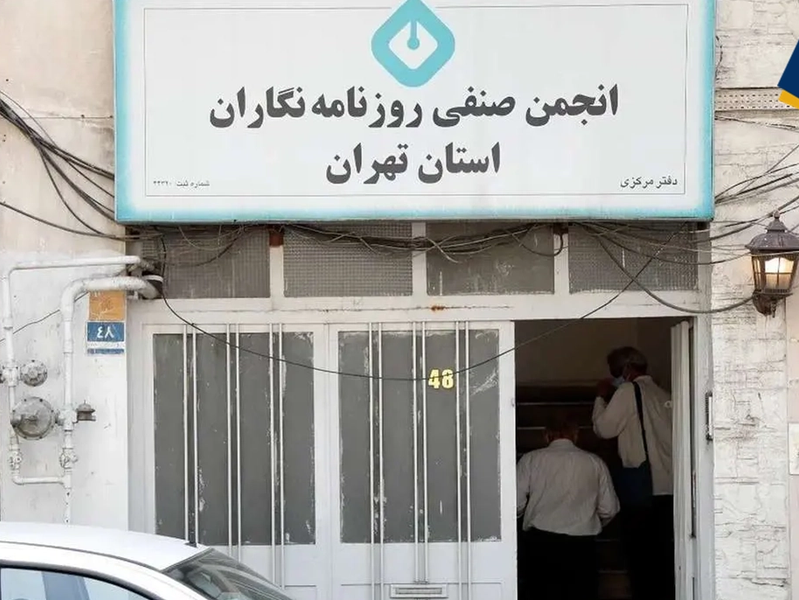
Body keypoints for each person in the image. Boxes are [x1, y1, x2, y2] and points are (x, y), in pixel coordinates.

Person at [593, 347, 674, 600]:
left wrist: (600, 398)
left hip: (643, 489)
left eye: (614, 371)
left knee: (640, 559)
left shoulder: (628, 390)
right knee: (664, 559)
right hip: (670, 487)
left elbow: (604, 428)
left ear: (626, 369)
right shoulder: (664, 394)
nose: (614, 377)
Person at [516, 416, 619, 600]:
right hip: (582, 546)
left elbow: (515, 505)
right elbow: (609, 508)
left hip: (541, 543)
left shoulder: (531, 459)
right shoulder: (595, 462)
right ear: (576, 435)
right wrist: (589, 522)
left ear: (546, 436)